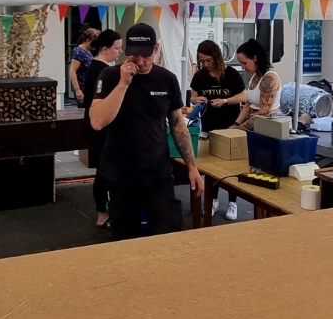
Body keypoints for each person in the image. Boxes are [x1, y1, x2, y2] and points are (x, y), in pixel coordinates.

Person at [89, 23, 203, 239]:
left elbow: (178, 125)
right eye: (135, 55)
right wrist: (123, 84)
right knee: (126, 238)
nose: (140, 62)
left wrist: (192, 167)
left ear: (156, 49)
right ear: (126, 51)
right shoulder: (110, 75)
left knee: (168, 233)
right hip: (121, 174)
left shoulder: (167, 79)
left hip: (157, 172)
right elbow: (97, 121)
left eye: (146, 55)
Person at [189, 40, 246, 221]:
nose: (206, 64)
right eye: (202, 61)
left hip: (230, 126)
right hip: (208, 126)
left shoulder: (231, 74)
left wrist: (225, 101)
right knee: (211, 166)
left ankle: (232, 202)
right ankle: (213, 199)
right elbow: (192, 97)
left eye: (208, 60)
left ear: (216, 57)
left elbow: (243, 96)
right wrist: (197, 100)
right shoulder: (200, 76)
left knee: (231, 166)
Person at [80, 29, 121, 228]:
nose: (120, 52)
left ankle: (104, 212)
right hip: (101, 127)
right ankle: (103, 213)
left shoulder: (97, 68)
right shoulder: (102, 72)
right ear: (105, 49)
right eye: (117, 48)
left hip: (97, 126)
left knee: (104, 170)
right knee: (105, 171)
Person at [232, 38, 281, 129]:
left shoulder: (269, 78)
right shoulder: (255, 76)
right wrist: (236, 124)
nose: (243, 67)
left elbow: (264, 112)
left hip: (268, 125)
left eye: (244, 63)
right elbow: (247, 105)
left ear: (255, 58)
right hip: (253, 123)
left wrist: (241, 127)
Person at [68, 26, 99, 104]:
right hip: (82, 89)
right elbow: (72, 71)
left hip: (89, 88)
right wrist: (77, 90)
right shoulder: (79, 52)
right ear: (88, 40)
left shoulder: (88, 51)